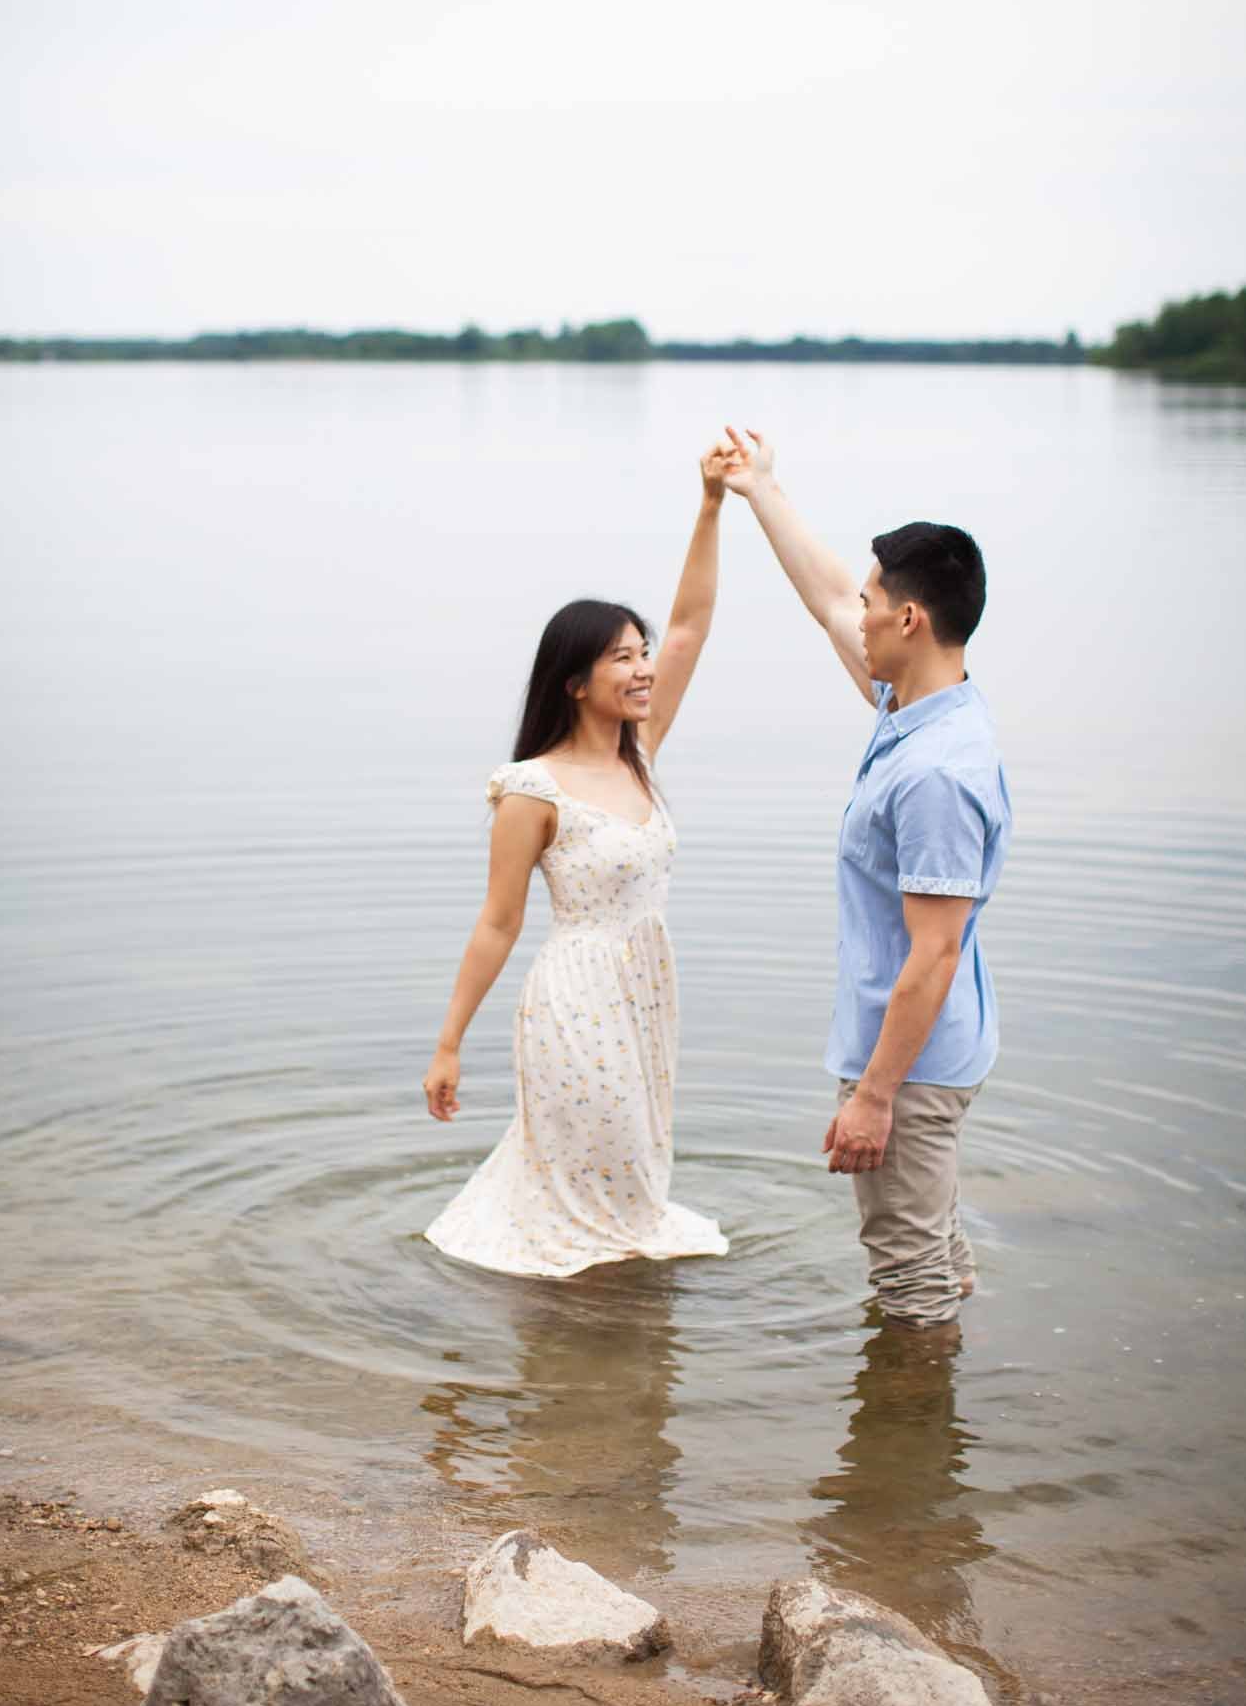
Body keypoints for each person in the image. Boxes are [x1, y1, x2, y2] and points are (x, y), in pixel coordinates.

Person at [722, 427, 1011, 1326]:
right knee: (934, 1251)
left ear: (910, 620)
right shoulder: (921, 711)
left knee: (908, 1284)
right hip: (931, 1049)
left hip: (911, 1063)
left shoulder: (933, 771)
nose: (859, 612)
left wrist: (874, 1097)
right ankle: (932, 1451)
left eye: (872, 600)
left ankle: (906, 1461)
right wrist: (760, 489)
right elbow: (823, 599)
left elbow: (933, 952)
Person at [422, 449, 733, 1278]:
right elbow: (497, 923)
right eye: (622, 659)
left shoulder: (641, 752)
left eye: (642, 652)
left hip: (646, 990)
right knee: (594, 1186)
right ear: (572, 683)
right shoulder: (532, 789)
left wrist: (710, 504)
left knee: (632, 1180)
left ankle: (602, 1340)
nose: (642, 669)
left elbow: (693, 624)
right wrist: (448, 1045)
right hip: (576, 995)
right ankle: (582, 1354)